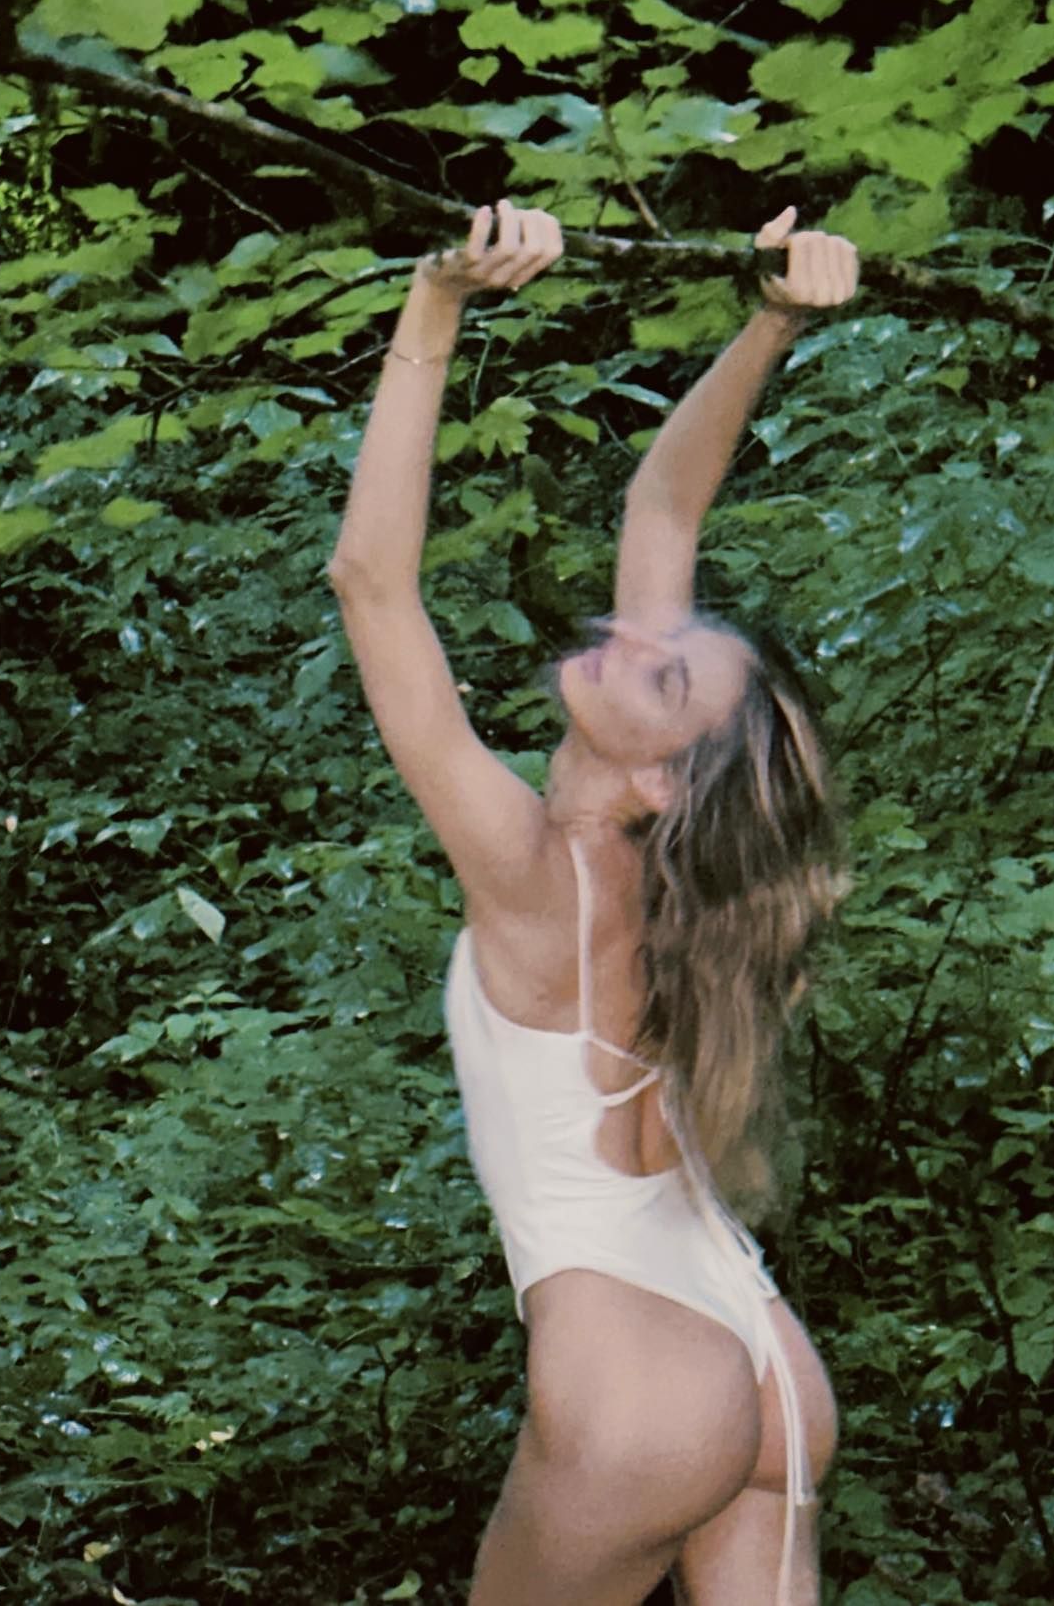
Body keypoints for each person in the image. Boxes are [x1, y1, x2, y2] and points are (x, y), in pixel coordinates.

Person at [328, 199, 859, 1606]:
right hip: (762, 1358)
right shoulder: (671, 897)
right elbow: (663, 508)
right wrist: (772, 323)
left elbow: (372, 585)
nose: (631, 633)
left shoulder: (537, 876)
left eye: (664, 671)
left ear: (663, 779)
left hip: (641, 1396)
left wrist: (437, 301)